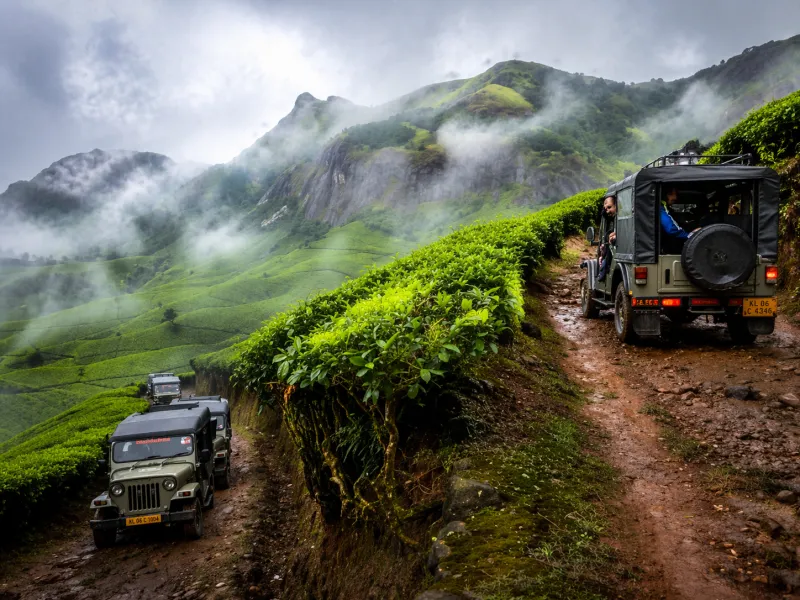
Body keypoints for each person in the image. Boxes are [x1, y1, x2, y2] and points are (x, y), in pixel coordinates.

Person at [597, 195, 616, 283]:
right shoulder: (612, 219)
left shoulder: (620, 219)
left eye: (609, 207)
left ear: (616, 205)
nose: (607, 211)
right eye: (606, 209)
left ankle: (603, 272)